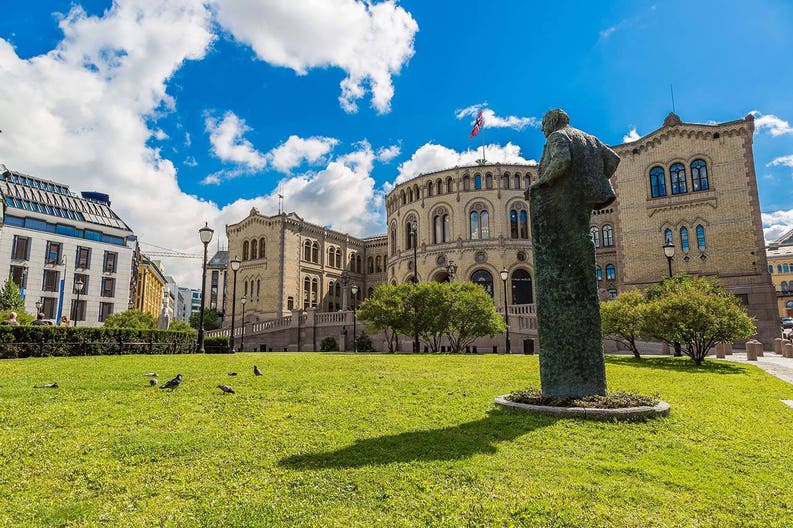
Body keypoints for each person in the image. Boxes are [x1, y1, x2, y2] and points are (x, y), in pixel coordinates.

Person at [527, 108, 620, 398]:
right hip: (582, 202)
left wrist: (542, 182)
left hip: (561, 200)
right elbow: (612, 160)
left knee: (560, 251)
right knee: (580, 244)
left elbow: (563, 160)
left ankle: (566, 377)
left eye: (543, 125)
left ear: (552, 122)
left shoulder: (558, 136)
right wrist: (590, 181)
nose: (543, 130)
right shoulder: (590, 139)